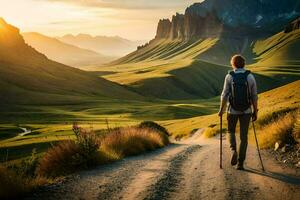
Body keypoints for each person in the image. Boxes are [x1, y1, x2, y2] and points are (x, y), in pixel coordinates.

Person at [218, 55, 258, 170]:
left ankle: (233, 150)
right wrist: (255, 111)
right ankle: (240, 163)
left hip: (232, 110)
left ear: (233, 64)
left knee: (230, 131)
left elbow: (224, 95)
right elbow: (254, 96)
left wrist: (221, 110)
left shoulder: (229, 77)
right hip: (247, 111)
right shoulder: (250, 76)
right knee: (244, 137)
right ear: (244, 64)